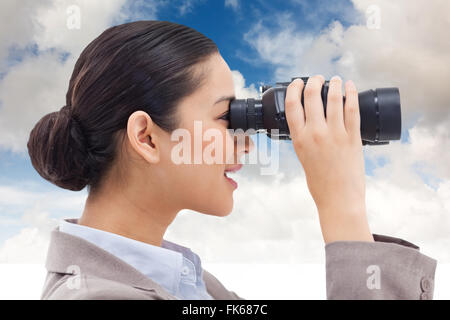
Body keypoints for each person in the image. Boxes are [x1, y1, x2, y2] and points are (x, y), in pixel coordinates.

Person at [27, 20, 436, 300]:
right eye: (228, 117)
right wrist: (342, 209)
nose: (246, 144)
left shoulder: (187, 281)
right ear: (146, 138)